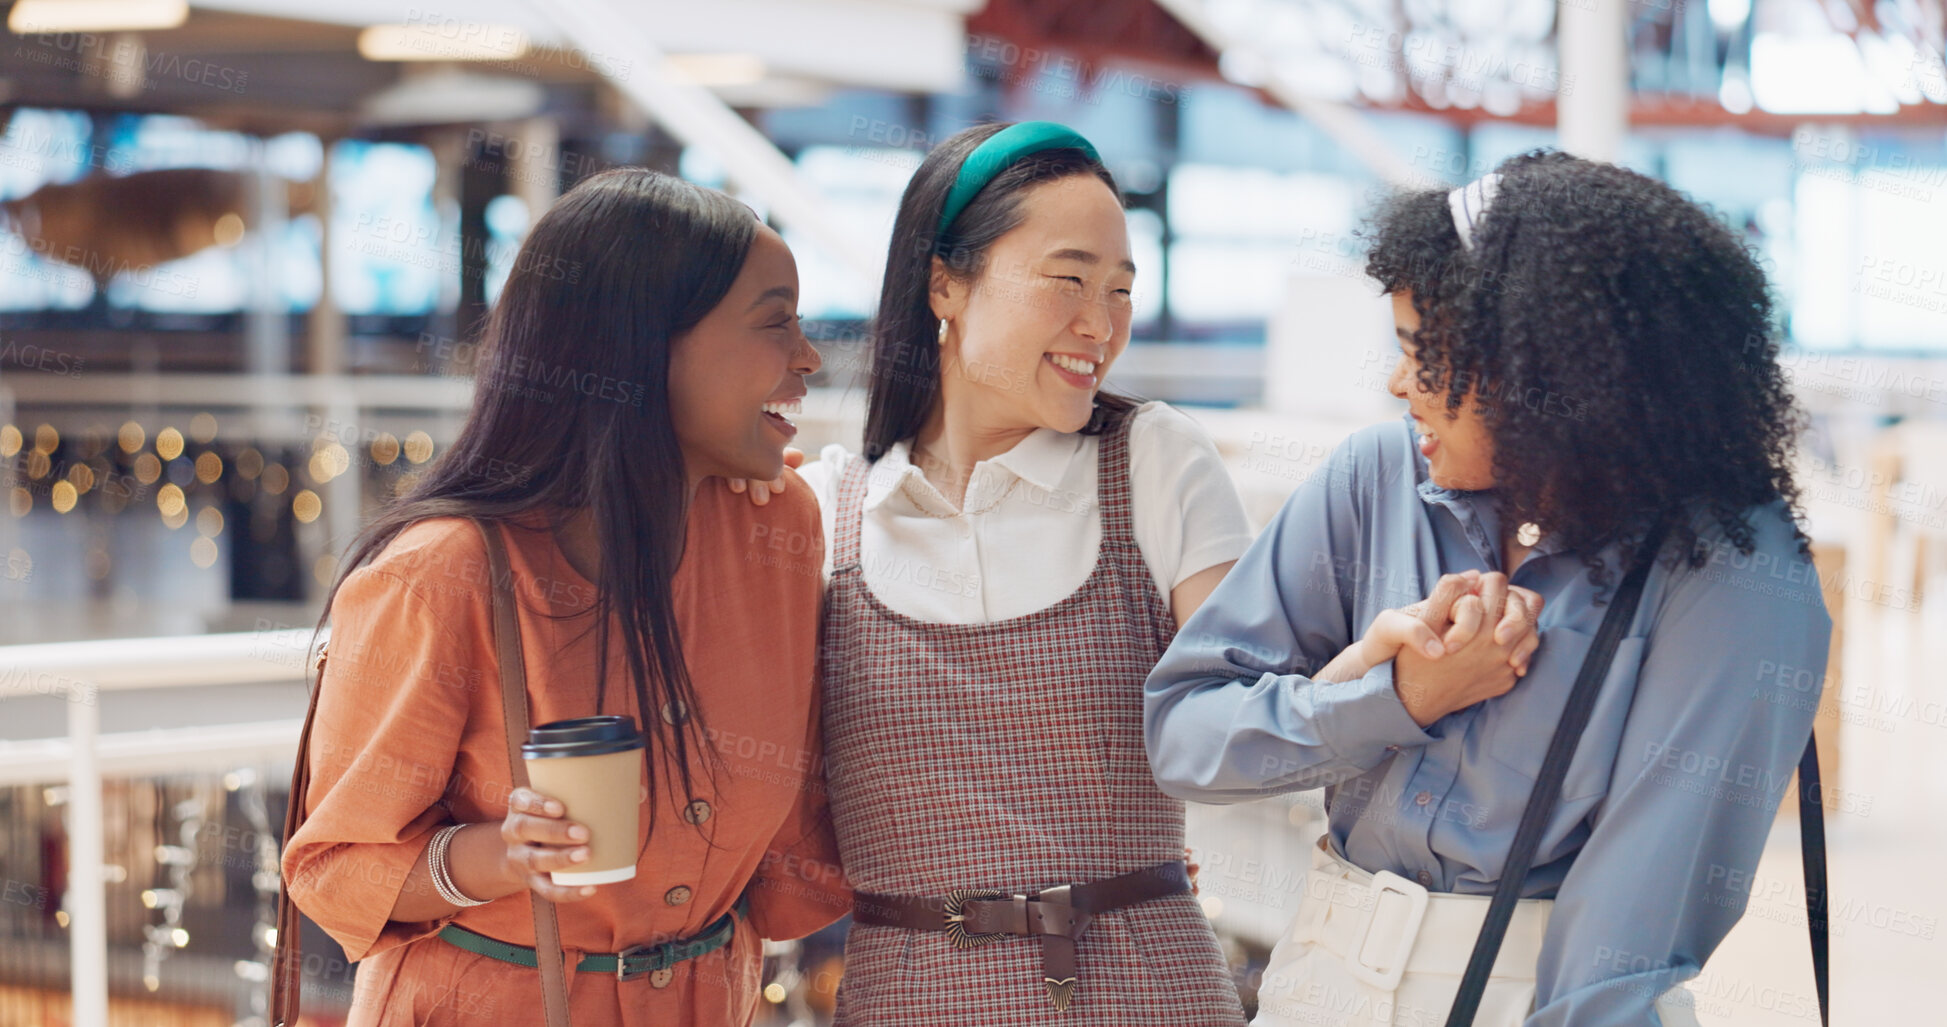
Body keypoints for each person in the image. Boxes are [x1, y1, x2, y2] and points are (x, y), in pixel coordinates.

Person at [1144, 151, 1830, 1026]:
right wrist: (1392, 695)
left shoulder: (1731, 569)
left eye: (1424, 357)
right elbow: (1186, 738)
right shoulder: (1375, 475)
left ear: (1550, 374)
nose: (1398, 385)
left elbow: (1615, 959)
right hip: (1316, 977)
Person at [281, 167, 848, 1026]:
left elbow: (793, 866)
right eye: (775, 322)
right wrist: (497, 856)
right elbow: (332, 869)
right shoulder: (441, 572)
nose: (808, 356)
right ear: (642, 345)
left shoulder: (780, 533)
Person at [737, 120, 1258, 1023]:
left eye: (1121, 289)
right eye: (1068, 279)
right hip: (908, 996)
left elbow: (1250, 721)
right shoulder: (821, 511)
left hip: (1143, 990)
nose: (1100, 324)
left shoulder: (1154, 462)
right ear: (945, 280)